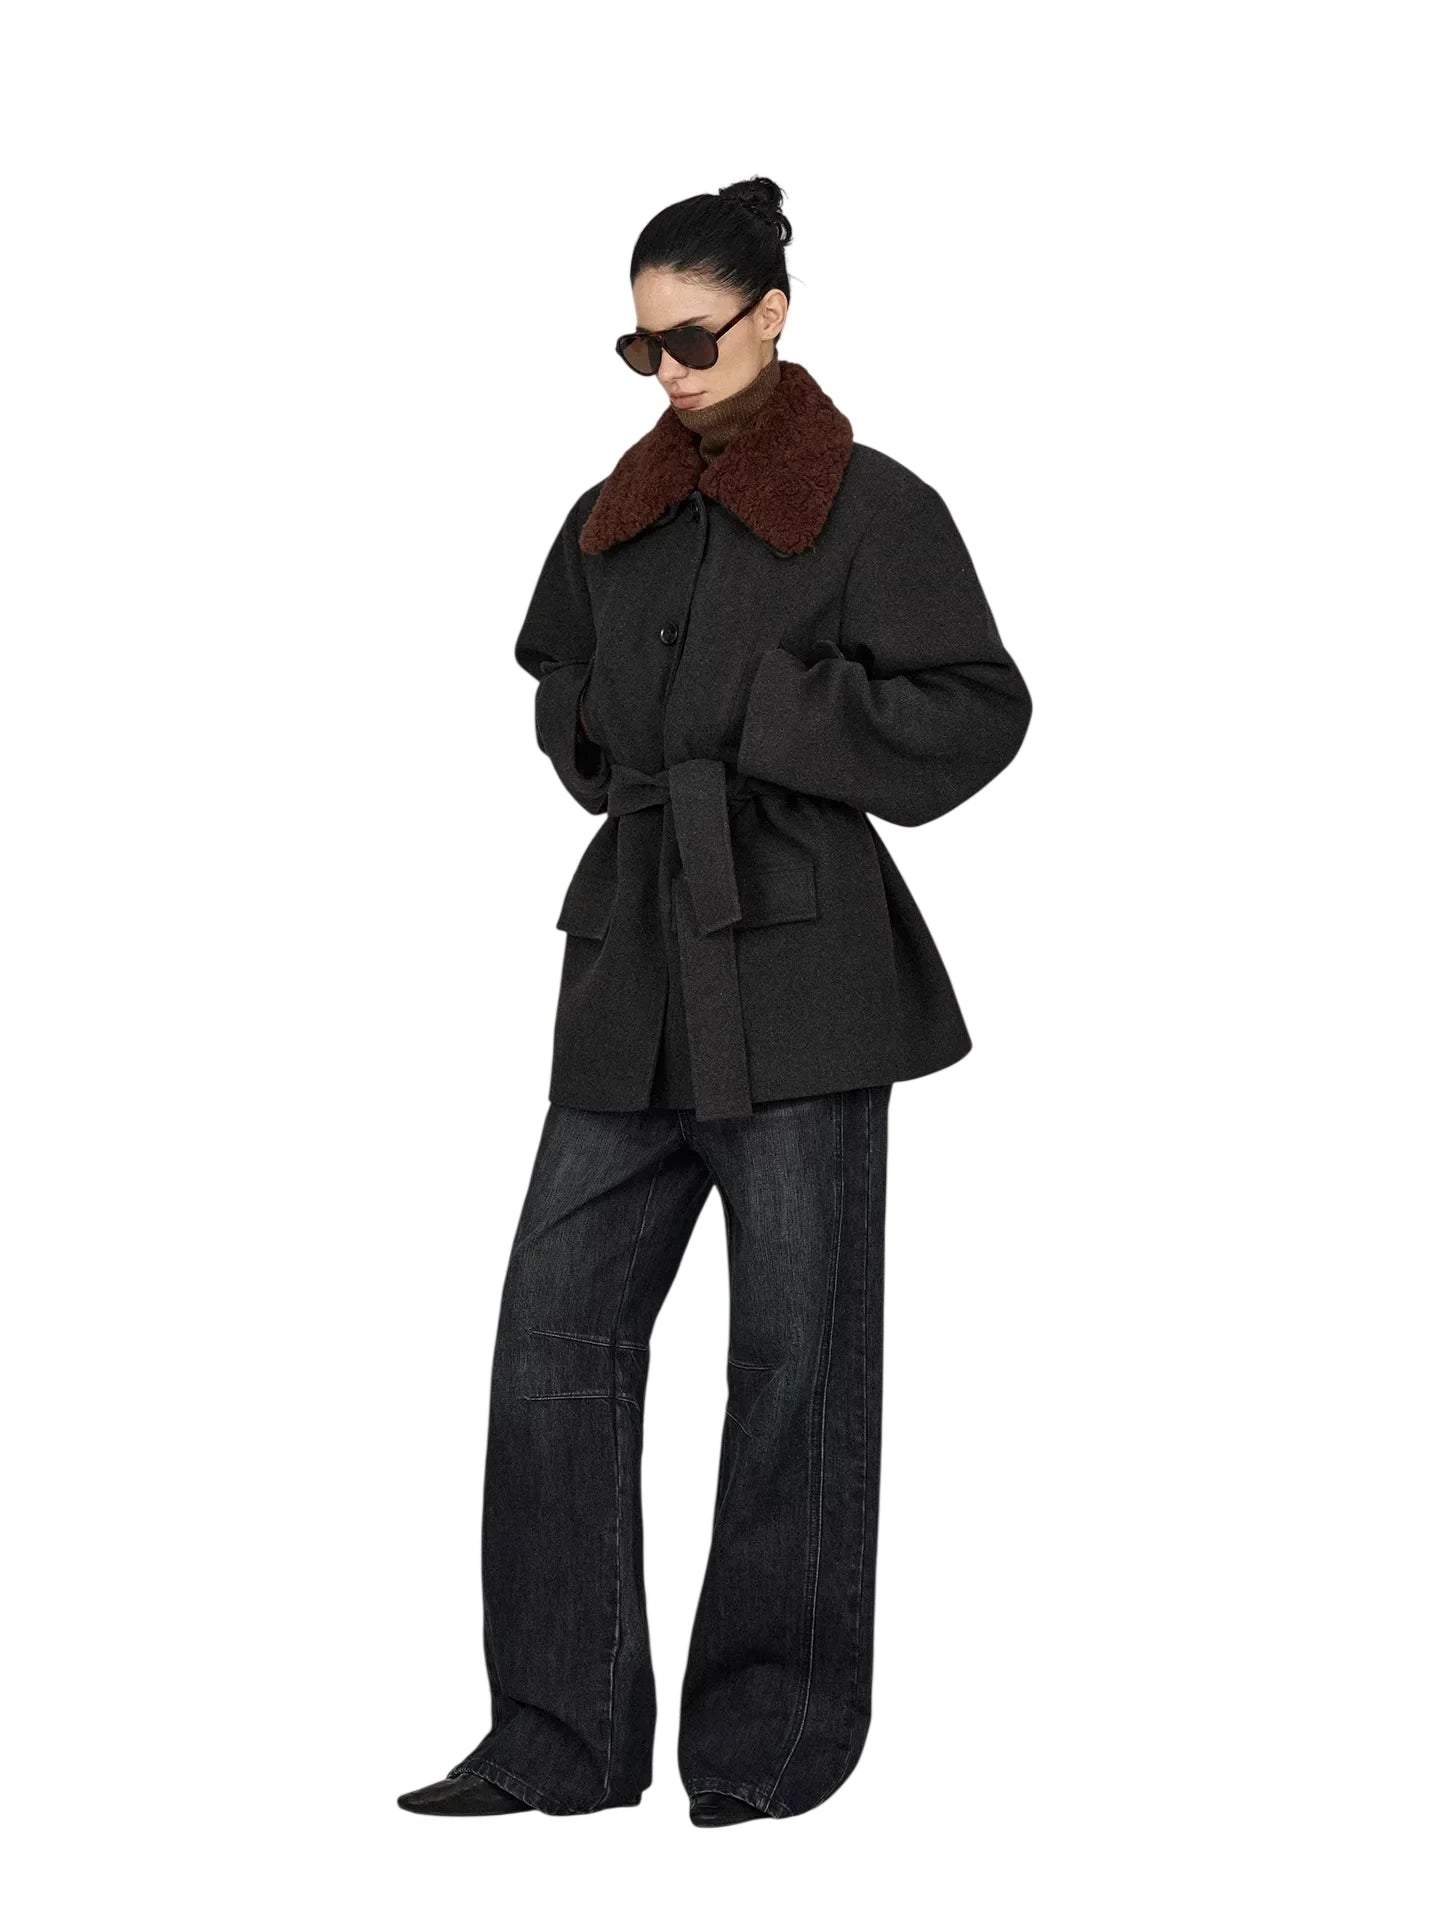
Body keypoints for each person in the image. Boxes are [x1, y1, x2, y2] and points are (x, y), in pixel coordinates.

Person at [398, 175, 1032, 1826]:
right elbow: (553, 674)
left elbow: (978, 710)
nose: (668, 369)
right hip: (633, 970)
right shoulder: (610, 512)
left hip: (804, 976)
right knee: (553, 1337)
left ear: (772, 316)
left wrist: (779, 712)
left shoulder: (870, 507)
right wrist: (596, 736)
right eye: (641, 345)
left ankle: (767, 1748)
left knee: (794, 1364)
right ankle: (557, 1734)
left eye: (692, 337)